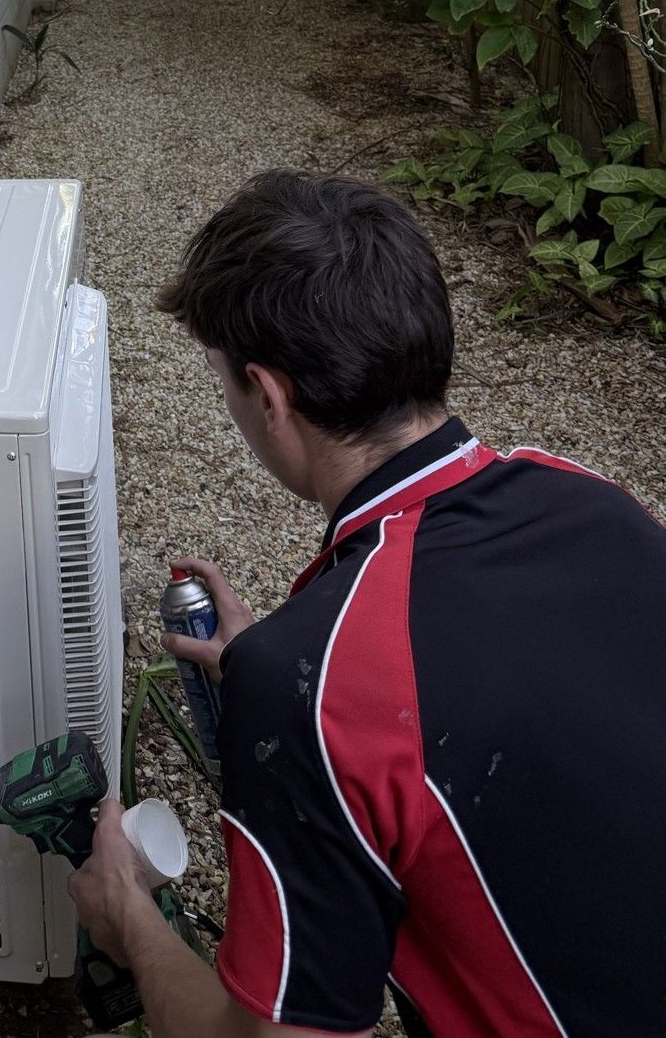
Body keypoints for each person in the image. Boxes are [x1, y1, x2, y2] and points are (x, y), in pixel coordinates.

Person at [69, 169, 666, 1038]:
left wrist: (127, 913)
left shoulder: (312, 683)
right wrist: (296, 676)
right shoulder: (590, 499)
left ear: (270, 398)